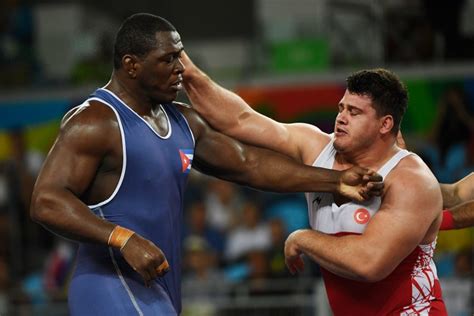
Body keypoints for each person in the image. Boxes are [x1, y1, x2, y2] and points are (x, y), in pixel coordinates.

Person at [29, 13, 383, 316]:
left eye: (180, 58)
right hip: (110, 286)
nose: (179, 70)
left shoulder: (182, 120)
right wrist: (122, 238)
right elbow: (46, 200)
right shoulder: (95, 121)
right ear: (131, 65)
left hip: (157, 287)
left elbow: (250, 164)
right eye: (167, 60)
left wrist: (335, 181)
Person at [182, 55, 447, 314]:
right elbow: (240, 120)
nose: (341, 118)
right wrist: (186, 71)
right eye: (341, 108)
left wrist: (303, 237)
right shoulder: (317, 146)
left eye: (354, 112)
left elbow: (369, 263)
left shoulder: (410, 179)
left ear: (385, 124)